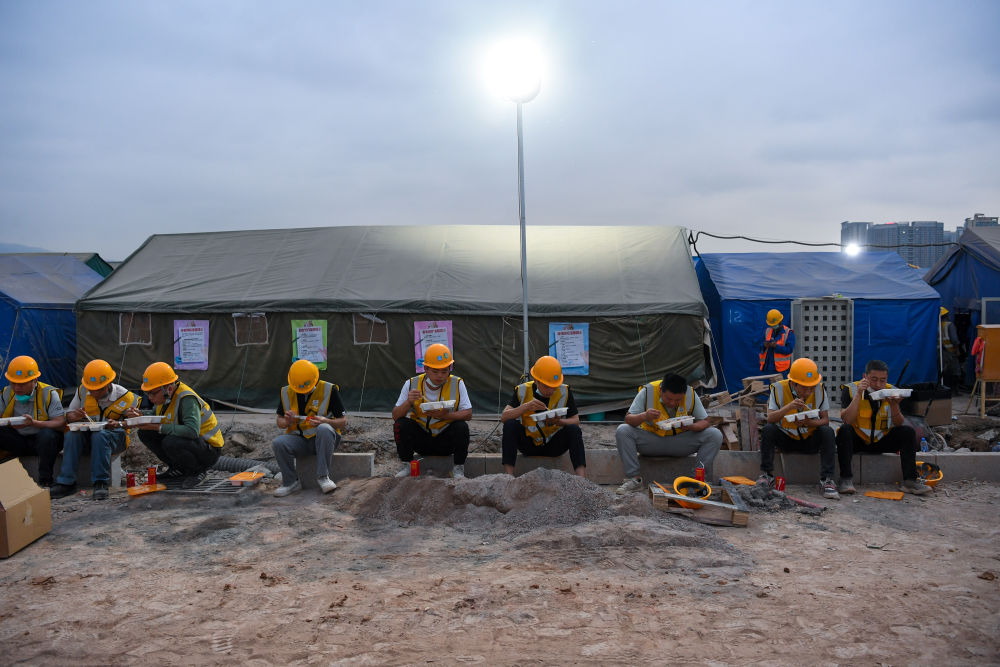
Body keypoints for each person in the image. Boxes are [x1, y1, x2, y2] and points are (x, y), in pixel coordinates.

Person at [614, 372, 723, 494]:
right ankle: (634, 480)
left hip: (681, 443)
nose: (672, 403)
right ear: (661, 390)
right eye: (669, 399)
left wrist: (691, 426)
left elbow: (705, 421)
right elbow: (628, 419)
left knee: (715, 434)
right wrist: (644, 416)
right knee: (623, 430)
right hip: (651, 442)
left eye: (678, 400)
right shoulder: (648, 391)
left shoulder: (690, 393)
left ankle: (696, 481)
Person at [836, 360, 932, 495]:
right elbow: (847, 420)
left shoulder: (892, 391)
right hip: (858, 441)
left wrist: (894, 405)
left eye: (882, 380)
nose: (878, 385)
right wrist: (859, 394)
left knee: (908, 432)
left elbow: (899, 423)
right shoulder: (850, 390)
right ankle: (845, 479)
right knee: (844, 431)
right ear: (865, 376)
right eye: (873, 380)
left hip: (881, 440)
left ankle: (910, 481)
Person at [49, 360, 140, 500]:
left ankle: (100, 482)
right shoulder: (83, 391)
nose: (95, 393)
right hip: (88, 437)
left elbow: (133, 423)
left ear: (109, 383)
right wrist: (75, 416)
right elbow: (69, 415)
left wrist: (120, 422)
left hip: (116, 438)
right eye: (92, 389)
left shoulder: (126, 397)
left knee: (100, 435)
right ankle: (66, 483)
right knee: (72, 435)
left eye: (100, 389)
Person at [126, 362, 223, 489]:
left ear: (168, 389)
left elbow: (192, 431)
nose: (149, 397)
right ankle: (177, 469)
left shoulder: (187, 399)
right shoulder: (165, 396)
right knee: (145, 433)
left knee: (170, 441)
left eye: (153, 393)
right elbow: (158, 415)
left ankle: (197, 472)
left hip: (207, 450)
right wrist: (141, 414)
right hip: (192, 443)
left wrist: (157, 427)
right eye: (147, 393)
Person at [758, 357, 839, 499]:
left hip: (809, 440)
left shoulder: (820, 390)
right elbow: (770, 418)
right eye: (803, 387)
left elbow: (825, 420)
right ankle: (767, 475)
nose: (808, 392)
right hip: (786, 439)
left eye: (811, 388)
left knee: (828, 431)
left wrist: (810, 423)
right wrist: (788, 407)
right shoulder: (778, 388)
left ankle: (826, 480)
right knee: (768, 430)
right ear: (793, 383)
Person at [392, 343, 472, 478]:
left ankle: (458, 468)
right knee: (401, 424)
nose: (440, 375)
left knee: (461, 427)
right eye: (435, 371)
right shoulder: (411, 383)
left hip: (446, 442)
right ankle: (406, 464)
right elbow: (395, 415)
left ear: (449, 369)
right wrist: (408, 402)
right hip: (422, 439)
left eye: (444, 371)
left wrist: (446, 416)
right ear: (426, 368)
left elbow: (468, 414)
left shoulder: (457, 383)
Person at [501, 355, 586, 478]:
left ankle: (581, 479)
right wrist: (525, 407)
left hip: (554, 445)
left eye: (554, 386)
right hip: (529, 444)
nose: (551, 390)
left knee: (574, 430)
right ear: (536, 380)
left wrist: (559, 422)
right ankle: (508, 477)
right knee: (510, 425)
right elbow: (504, 417)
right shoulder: (522, 390)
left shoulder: (565, 391)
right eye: (547, 386)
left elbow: (576, 421)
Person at [272, 360, 346, 497]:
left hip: (324, 439)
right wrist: (287, 421)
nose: (301, 390)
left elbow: (343, 422)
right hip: (301, 441)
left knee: (324, 428)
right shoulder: (286, 392)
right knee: (279, 443)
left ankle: (323, 477)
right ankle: (290, 482)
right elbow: (279, 421)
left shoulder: (329, 390)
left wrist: (325, 421)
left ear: (315, 379)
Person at [0, 355, 66, 486]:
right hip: (20, 441)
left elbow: (60, 422)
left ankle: (45, 481)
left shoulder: (48, 393)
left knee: (47, 435)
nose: (17, 388)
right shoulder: (6, 393)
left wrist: (34, 423)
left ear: (34, 380)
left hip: (44, 443)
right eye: (13, 383)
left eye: (22, 384)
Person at [759, 309, 795, 375]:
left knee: (780, 385)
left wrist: (776, 347)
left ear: (780, 321)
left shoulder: (788, 333)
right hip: (768, 367)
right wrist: (764, 345)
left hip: (781, 369)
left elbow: (789, 350)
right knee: (771, 385)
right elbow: (760, 346)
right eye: (771, 325)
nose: (773, 326)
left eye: (775, 324)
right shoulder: (767, 331)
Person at [939, 307, 963, 391]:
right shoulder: (949, 325)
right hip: (950, 351)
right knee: (955, 371)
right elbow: (954, 339)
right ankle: (954, 391)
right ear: (946, 315)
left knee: (944, 371)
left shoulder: (936, 325)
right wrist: (957, 350)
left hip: (940, 352)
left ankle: (945, 389)